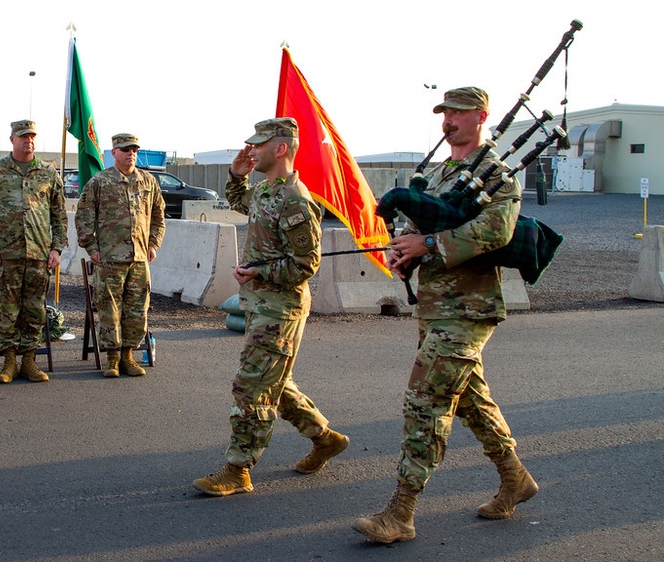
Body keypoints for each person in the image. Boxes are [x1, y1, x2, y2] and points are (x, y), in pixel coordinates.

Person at [353, 87, 537, 543]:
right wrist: (406, 252)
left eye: (457, 113)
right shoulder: (441, 173)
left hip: (469, 310)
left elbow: (497, 229)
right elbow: (420, 227)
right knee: (471, 401)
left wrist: (431, 244)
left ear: (481, 116)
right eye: (444, 113)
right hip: (435, 308)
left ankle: (401, 512)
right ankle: (515, 478)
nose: (448, 120)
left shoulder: (498, 174)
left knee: (426, 401)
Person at [193, 118, 349, 496]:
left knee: (251, 387)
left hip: (281, 310)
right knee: (275, 384)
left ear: (280, 149)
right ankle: (324, 438)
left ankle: (237, 468)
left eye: (259, 145)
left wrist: (257, 272)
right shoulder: (266, 192)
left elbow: (305, 265)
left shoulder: (295, 199)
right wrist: (236, 174)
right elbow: (237, 201)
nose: (252, 150)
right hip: (261, 304)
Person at [0, 120, 67, 383]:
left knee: (35, 310)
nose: (29, 141)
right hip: (6, 255)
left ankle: (29, 361)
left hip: (39, 255)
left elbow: (58, 215)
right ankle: (9, 363)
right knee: (8, 310)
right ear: (12, 139)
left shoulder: (48, 173)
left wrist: (57, 248)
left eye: (32, 136)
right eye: (23, 136)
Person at [75, 133, 165, 378]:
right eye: (125, 149)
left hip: (138, 259)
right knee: (109, 310)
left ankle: (128, 356)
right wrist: (91, 247)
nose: (131, 153)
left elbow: (158, 217)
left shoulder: (148, 182)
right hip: (110, 259)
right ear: (114, 152)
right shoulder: (100, 182)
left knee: (137, 310)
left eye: (134, 149)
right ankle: (112, 359)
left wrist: (153, 244)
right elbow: (83, 216)